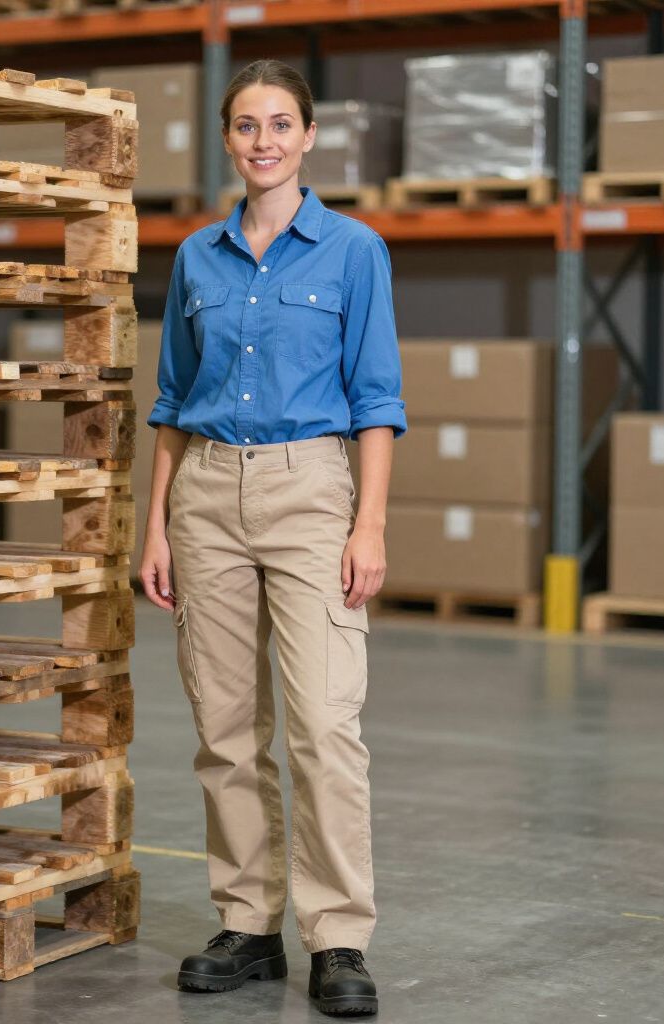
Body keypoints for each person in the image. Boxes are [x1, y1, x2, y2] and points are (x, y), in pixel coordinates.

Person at [139, 58, 405, 1019]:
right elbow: (172, 401)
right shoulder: (196, 257)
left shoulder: (353, 251)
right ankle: (248, 925)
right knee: (225, 730)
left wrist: (368, 525)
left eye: (281, 123)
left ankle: (337, 936)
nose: (265, 142)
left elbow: (377, 400)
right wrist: (156, 526)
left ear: (309, 136)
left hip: (310, 492)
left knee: (325, 727)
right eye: (247, 125)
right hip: (206, 493)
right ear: (227, 138)